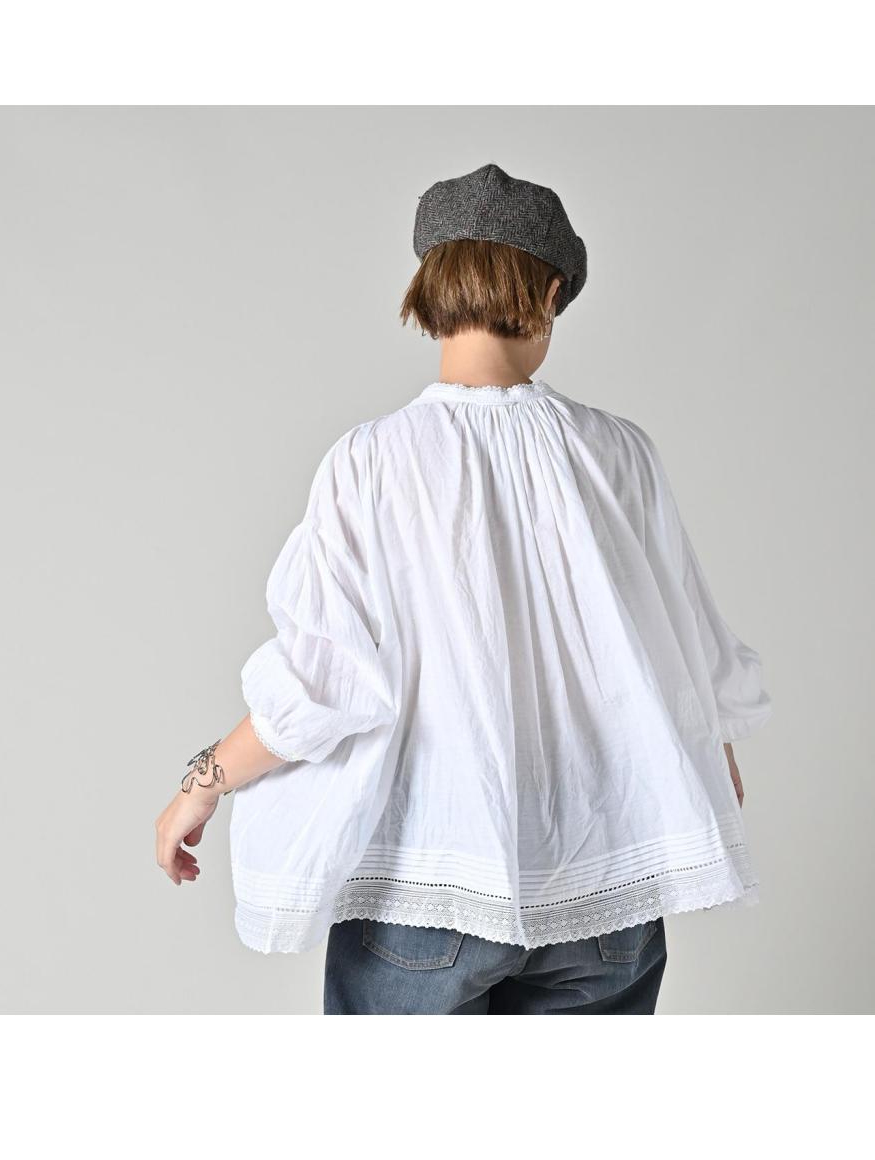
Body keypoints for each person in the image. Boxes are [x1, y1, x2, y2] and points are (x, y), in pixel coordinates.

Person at [154, 162, 772, 1014]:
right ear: (550, 292)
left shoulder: (371, 462)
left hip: (431, 883)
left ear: (432, 290)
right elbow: (687, 649)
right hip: (605, 887)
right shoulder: (621, 453)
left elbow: (322, 685)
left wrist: (205, 779)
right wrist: (705, 766)